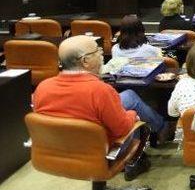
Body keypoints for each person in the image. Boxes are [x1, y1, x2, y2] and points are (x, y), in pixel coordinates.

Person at [33, 36, 170, 178]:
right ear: (85, 61)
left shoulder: (42, 87)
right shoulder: (100, 91)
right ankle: (135, 161)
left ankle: (159, 131)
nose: (101, 54)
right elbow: (122, 129)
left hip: (57, 153)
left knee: (128, 96)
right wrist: (131, 114)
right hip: (98, 155)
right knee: (132, 113)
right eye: (97, 51)